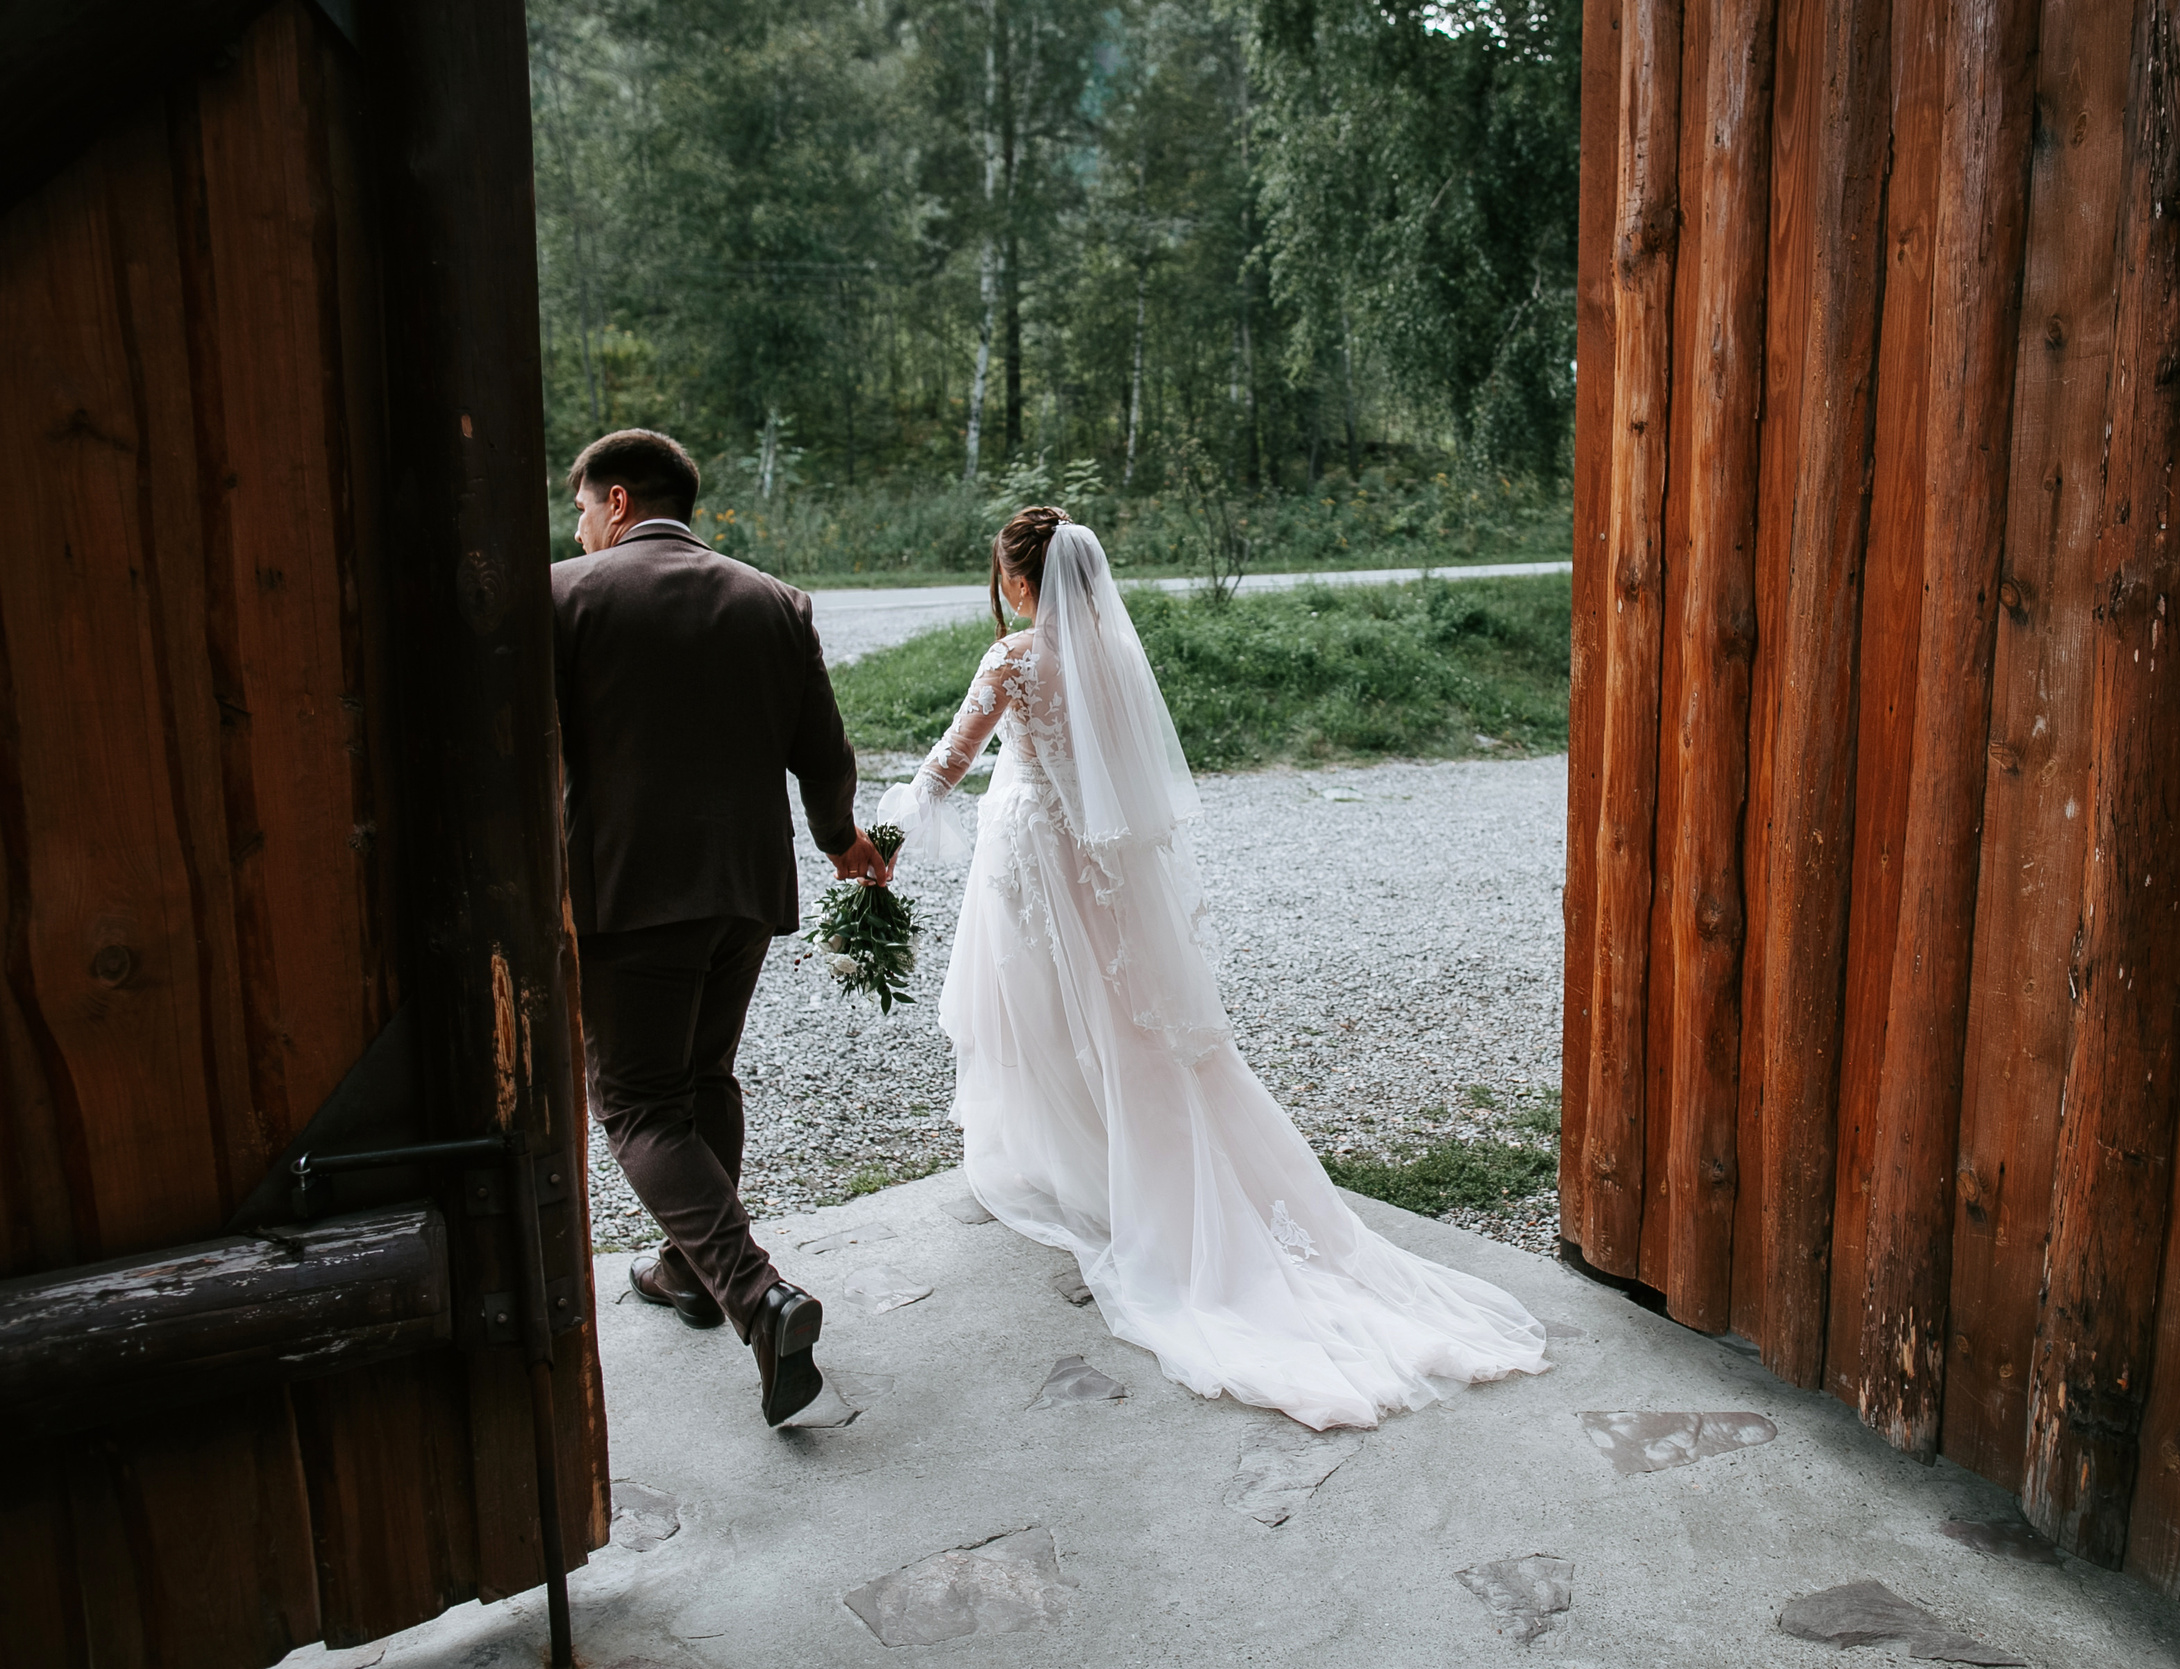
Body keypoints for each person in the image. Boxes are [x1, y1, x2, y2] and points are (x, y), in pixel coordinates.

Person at [880, 507, 1547, 1431]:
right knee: (1125, 1015)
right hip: (1103, 865)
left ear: (1020, 582)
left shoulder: (1015, 660)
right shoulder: (1115, 652)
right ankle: (1115, 1156)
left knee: (1035, 1007)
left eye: (1004, 578)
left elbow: (949, 763)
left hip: (1032, 852)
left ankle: (1080, 1161)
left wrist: (883, 837)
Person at [551, 428, 895, 1426]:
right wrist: (841, 842)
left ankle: (756, 1294)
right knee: (703, 1080)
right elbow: (823, 751)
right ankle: (689, 1274)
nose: (576, 528)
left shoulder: (566, 595)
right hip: (743, 890)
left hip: (624, 895)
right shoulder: (773, 602)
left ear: (616, 502)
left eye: (580, 509)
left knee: (638, 1106)